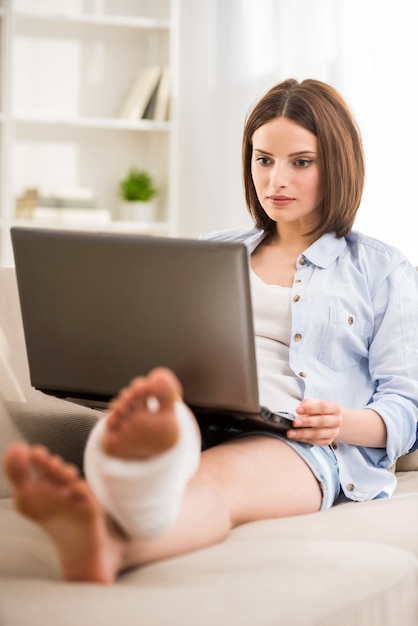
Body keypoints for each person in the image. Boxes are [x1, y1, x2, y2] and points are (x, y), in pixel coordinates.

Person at [4, 78, 418, 584]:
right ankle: (119, 467)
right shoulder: (212, 251)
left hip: (298, 440)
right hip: (199, 412)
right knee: (152, 432)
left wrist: (341, 423)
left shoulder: (381, 269)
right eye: (263, 159)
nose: (275, 181)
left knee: (211, 482)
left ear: (339, 163)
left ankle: (109, 544)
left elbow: (406, 406)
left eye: (300, 162)